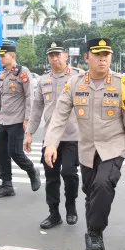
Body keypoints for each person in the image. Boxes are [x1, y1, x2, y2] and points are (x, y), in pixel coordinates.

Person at [43, 37, 125, 250]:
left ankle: (96, 233)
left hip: (114, 146)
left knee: (103, 184)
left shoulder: (122, 83)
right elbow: (59, 116)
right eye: (98, 54)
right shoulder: (75, 83)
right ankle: (92, 232)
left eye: (106, 54)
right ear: (87, 57)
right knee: (90, 192)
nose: (103, 59)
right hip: (87, 149)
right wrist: (51, 143)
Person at [25, 41, 81, 229]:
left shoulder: (78, 76)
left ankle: (71, 205)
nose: (55, 58)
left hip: (73, 135)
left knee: (69, 173)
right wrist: (29, 133)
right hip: (50, 138)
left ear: (66, 55)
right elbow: (37, 108)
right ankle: (54, 213)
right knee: (51, 177)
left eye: (58, 54)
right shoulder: (43, 79)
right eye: (51, 55)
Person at [0, 42, 41, 198]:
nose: (0, 59)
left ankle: (32, 171)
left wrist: (27, 119)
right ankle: (6, 185)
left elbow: (30, 96)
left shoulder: (23, 73)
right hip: (2, 120)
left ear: (13, 56)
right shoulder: (3, 74)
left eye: (3, 56)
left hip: (17, 120)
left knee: (15, 152)